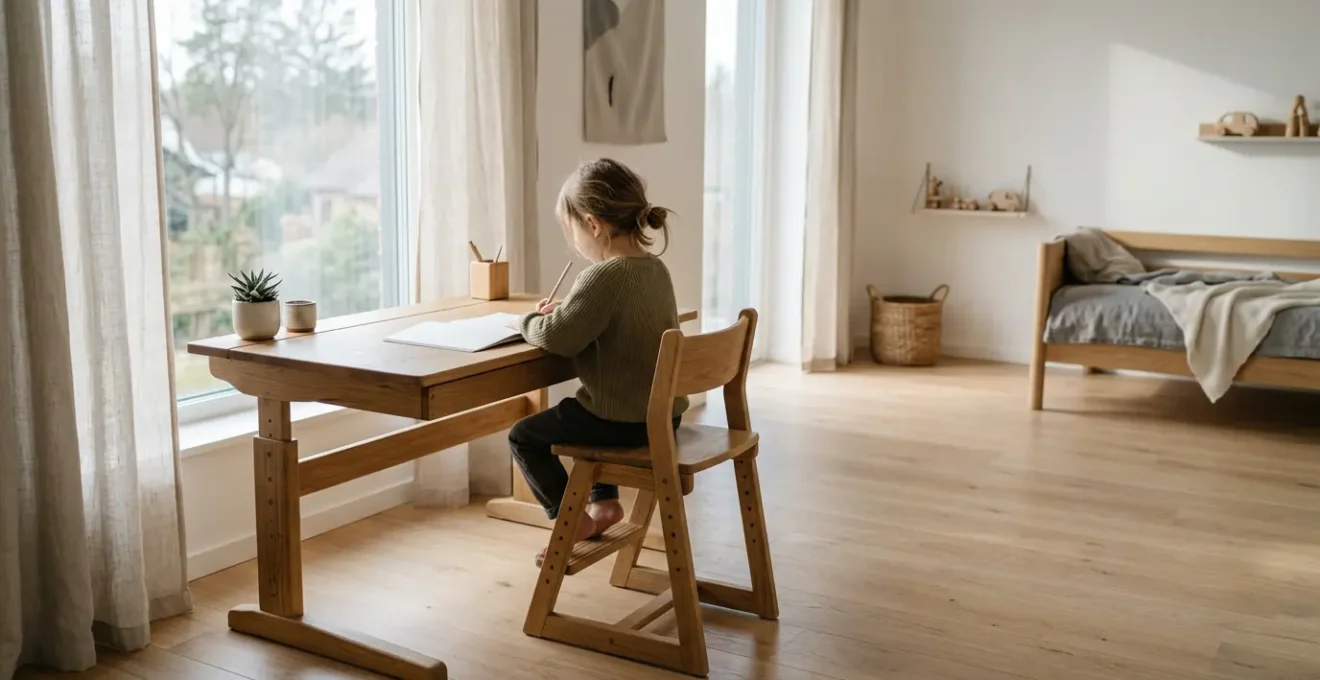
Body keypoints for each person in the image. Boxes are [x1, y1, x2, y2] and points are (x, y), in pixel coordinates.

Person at [510, 158, 687, 558]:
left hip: (623, 422)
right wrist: (570, 310)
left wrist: (530, 320)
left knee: (525, 436)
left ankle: (573, 520)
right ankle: (604, 503)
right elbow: (600, 321)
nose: (575, 244)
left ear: (593, 225)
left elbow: (557, 338)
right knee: (583, 408)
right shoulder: (655, 269)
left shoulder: (603, 276)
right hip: (663, 418)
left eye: (572, 233)